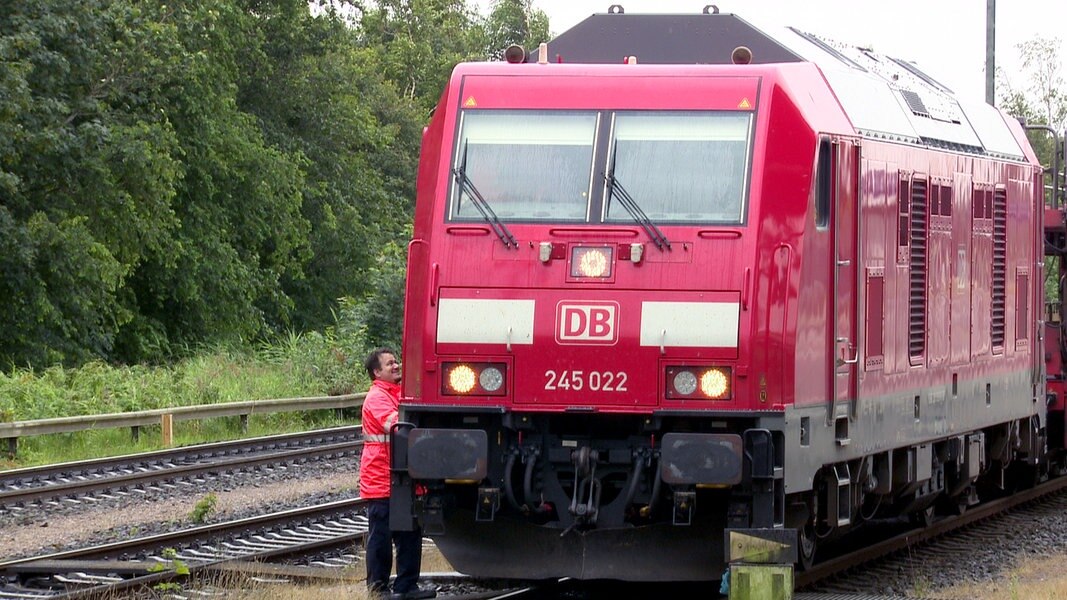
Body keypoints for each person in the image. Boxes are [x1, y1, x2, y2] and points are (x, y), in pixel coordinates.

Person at [360, 347, 437, 600]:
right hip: (382, 475)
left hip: (401, 475)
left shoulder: (396, 393)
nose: (396, 366)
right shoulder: (377, 397)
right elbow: (396, 424)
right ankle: (378, 589)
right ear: (376, 371)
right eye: (390, 363)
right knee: (381, 536)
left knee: (409, 532)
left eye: (396, 362)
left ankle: (406, 587)